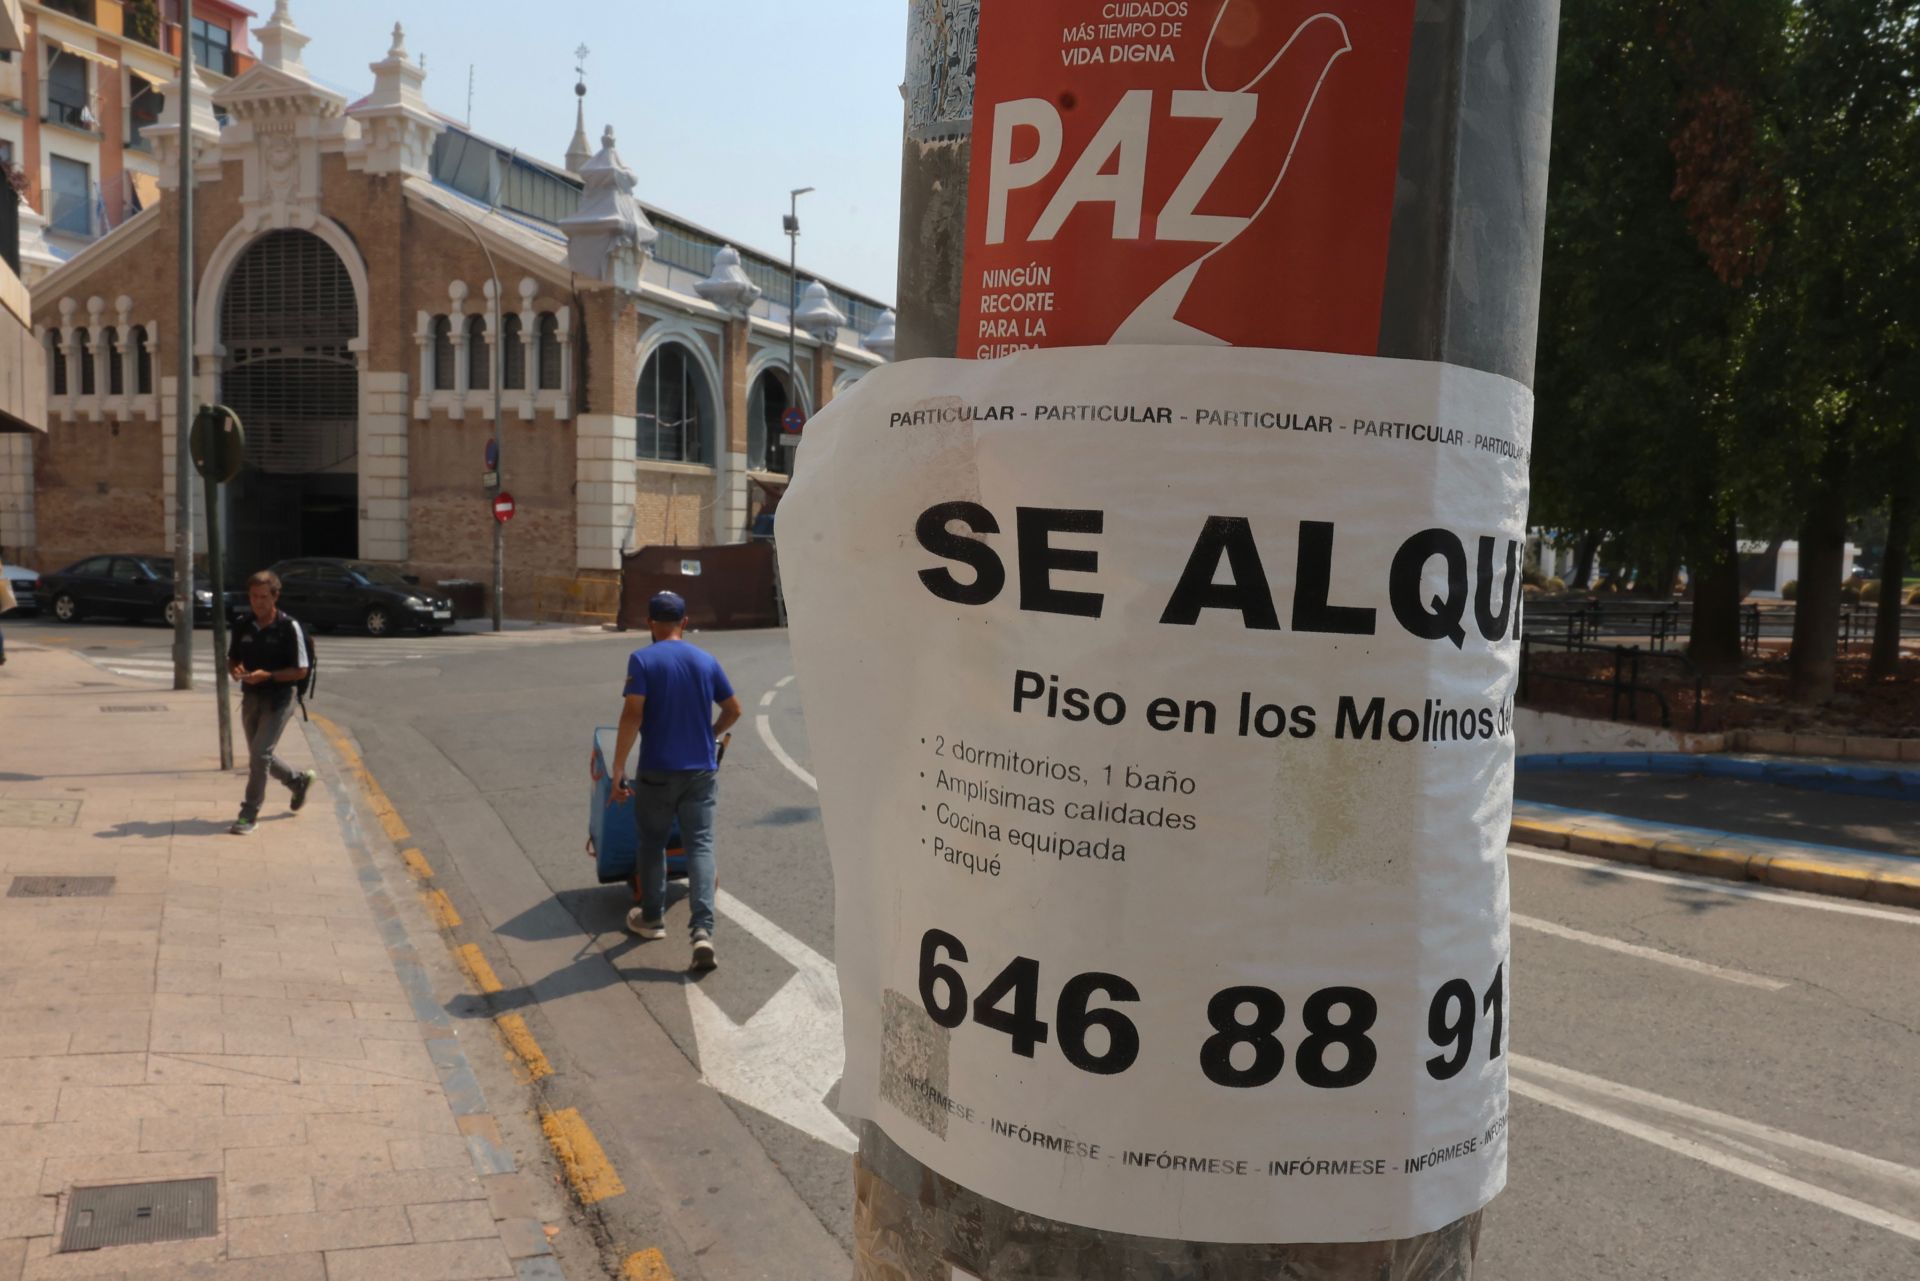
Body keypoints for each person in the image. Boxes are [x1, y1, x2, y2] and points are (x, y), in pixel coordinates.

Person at [609, 590, 742, 971]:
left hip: (657, 771)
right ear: (684, 623)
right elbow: (734, 709)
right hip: (700, 770)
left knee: (651, 844)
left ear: (650, 623)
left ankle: (652, 918)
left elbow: (632, 715)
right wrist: (711, 735)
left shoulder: (643, 660)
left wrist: (619, 769)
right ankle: (702, 932)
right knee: (700, 845)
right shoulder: (705, 659)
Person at [227, 569, 315, 835]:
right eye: (254, 596)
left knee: (259, 755)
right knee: (260, 754)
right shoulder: (243, 624)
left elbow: (301, 670)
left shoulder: (290, 627)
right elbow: (233, 658)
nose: (258, 602)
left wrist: (269, 676)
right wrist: (236, 671)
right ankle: (297, 782)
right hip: (251, 696)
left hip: (281, 698)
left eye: (264, 597)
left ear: (276, 596)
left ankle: (248, 813)